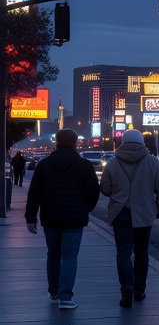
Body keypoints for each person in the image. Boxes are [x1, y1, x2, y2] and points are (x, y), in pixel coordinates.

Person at [24, 128, 100, 310]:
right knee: (69, 257)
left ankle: (53, 293)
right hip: (74, 219)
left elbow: (34, 193)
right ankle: (66, 297)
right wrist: (84, 209)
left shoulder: (44, 165)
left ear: (56, 143)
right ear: (76, 143)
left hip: (50, 218)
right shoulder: (84, 165)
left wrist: (30, 217)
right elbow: (93, 192)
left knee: (53, 256)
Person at [100, 129, 159, 307]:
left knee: (123, 252)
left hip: (120, 212)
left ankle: (127, 289)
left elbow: (105, 189)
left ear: (123, 142)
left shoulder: (113, 163)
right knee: (141, 252)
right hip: (145, 213)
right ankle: (140, 289)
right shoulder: (153, 162)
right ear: (141, 142)